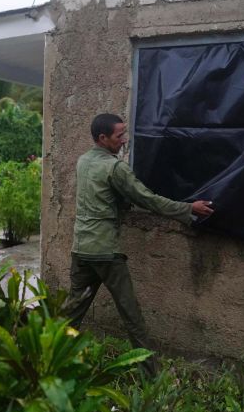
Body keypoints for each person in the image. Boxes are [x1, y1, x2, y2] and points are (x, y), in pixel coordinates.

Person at [64, 113, 214, 373]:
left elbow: (105, 195)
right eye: (119, 135)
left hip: (81, 249)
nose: (124, 140)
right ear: (103, 138)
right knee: (132, 317)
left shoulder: (83, 161)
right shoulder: (115, 167)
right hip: (105, 253)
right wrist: (188, 208)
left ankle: (47, 362)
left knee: (70, 314)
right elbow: (148, 199)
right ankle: (151, 378)